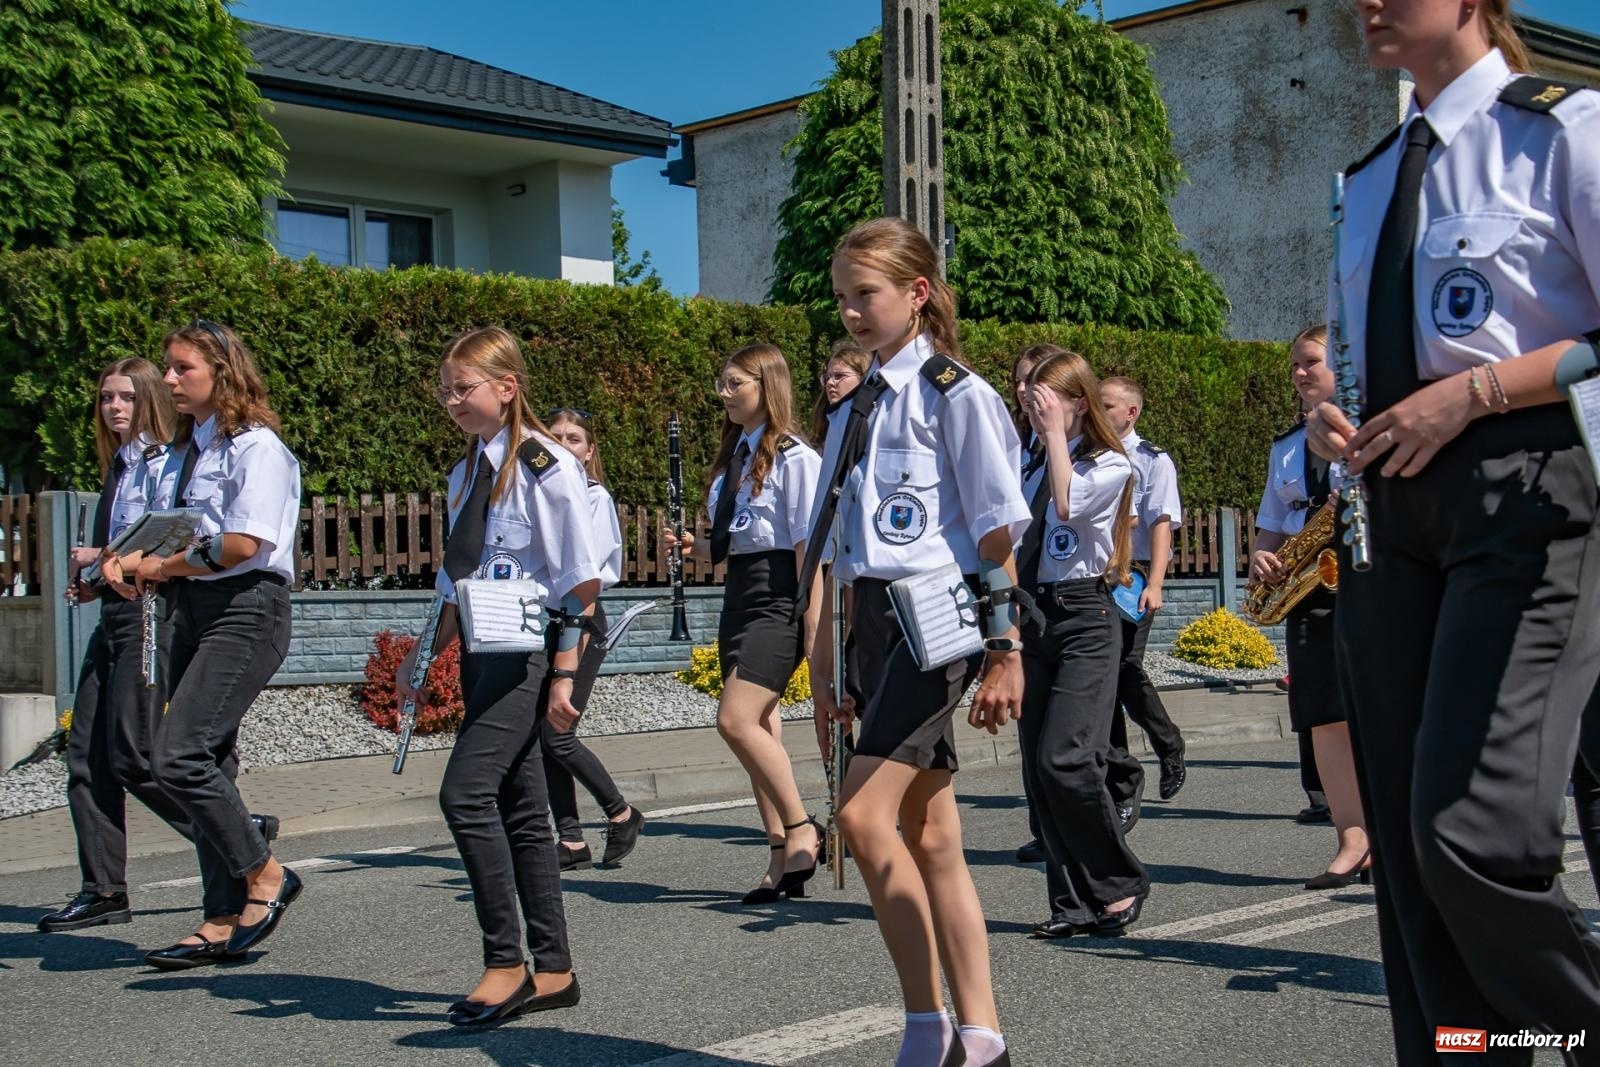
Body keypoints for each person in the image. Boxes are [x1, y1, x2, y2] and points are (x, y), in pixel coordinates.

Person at [1305, 2, 1600, 1055]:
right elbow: (1354, 349)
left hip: (1521, 491)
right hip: (1387, 514)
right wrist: (1328, 415)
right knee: (1408, 854)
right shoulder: (1368, 175)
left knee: (1470, 828)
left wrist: (1471, 393)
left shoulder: (1564, 131)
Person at [806, 216, 1026, 1067]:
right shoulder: (855, 401)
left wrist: (1006, 650)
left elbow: (998, 531)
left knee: (862, 820)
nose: (853, 313)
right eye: (842, 298)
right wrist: (825, 671)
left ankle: (924, 1025)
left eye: (866, 294)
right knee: (932, 835)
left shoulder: (953, 392)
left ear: (917, 293)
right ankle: (983, 1034)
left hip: (937, 620)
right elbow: (831, 547)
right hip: (871, 620)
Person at [395, 327, 597, 1024]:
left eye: (464, 387)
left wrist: (565, 675)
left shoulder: (544, 466)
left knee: (464, 793)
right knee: (519, 809)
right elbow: (461, 582)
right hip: (485, 650)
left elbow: (580, 580)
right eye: (445, 389)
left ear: (507, 388)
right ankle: (555, 969)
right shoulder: (467, 472)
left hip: (530, 652)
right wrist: (426, 654)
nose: (451, 400)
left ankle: (505, 961)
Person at [39, 359, 267, 932]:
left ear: (148, 402)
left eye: (125, 397)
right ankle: (104, 889)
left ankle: (240, 839)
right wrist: (94, 575)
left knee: (136, 754)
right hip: (116, 606)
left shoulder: (171, 460)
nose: (113, 408)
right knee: (86, 756)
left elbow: (178, 529)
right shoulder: (119, 462)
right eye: (105, 398)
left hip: (151, 606)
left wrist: (111, 556)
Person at [125, 322, 301, 970]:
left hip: (245, 606)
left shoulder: (258, 449)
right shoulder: (188, 450)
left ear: (222, 373)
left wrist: (157, 564)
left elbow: (241, 545)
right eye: (168, 368)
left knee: (179, 752)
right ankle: (222, 916)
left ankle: (264, 871)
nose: (168, 380)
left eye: (182, 368)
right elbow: (169, 534)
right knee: (210, 763)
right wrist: (119, 563)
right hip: (191, 607)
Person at [664, 344, 825, 904]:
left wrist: (814, 624)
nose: (724, 393)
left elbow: (809, 547)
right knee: (763, 729)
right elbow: (733, 542)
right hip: (740, 596)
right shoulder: (735, 455)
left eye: (735, 383)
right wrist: (697, 545)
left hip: (781, 598)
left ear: (766, 384)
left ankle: (804, 828)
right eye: (722, 383)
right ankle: (780, 853)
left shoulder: (796, 458)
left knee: (734, 721)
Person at [1016, 347, 1149, 940]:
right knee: (1037, 771)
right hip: (1035, 615)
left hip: (1086, 617)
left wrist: (1053, 438)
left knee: (1064, 759)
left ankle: (1119, 883)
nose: (1032, 402)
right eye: (1027, 393)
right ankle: (1071, 903)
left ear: (1076, 401)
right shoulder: (1033, 462)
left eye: (1045, 394)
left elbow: (1068, 510)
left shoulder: (1110, 464)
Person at [1249, 324, 1371, 890]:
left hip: (1372, 575)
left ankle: (1393, 833)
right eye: (1295, 364)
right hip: (1310, 583)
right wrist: (1263, 561)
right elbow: (1270, 526)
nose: (1299, 373)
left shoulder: (1373, 425)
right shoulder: (1285, 447)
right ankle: (1352, 839)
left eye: (1311, 362)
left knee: (1379, 711)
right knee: (1323, 717)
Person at [541, 407, 645, 871]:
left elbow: (590, 575)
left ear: (589, 450)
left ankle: (621, 812)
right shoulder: (538, 495)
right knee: (543, 735)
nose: (565, 444)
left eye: (575, 438)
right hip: (540, 619)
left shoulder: (593, 497)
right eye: (556, 437)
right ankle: (571, 840)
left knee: (557, 732)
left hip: (580, 618)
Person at [1099, 376, 1187, 815]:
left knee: (1125, 668)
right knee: (1105, 676)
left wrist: (1155, 584)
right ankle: (1120, 778)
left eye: (1108, 405)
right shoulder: (1088, 451)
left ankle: (1167, 745)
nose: (1099, 410)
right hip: (1094, 577)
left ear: (1130, 412)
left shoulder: (1153, 460)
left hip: (1131, 579)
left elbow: (1161, 525)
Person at [1008, 346, 1046, 866]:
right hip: (1021, 593)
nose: (1023, 389)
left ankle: (1119, 786)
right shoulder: (1017, 450)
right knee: (1031, 724)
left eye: (1033, 381)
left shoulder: (1079, 451)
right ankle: (1045, 827)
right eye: (1018, 381)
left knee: (1070, 744)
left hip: (1070, 599)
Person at [808, 339, 869, 446]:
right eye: (827, 377)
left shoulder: (873, 424)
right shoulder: (822, 433)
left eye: (839, 376)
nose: (830, 383)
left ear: (863, 378)